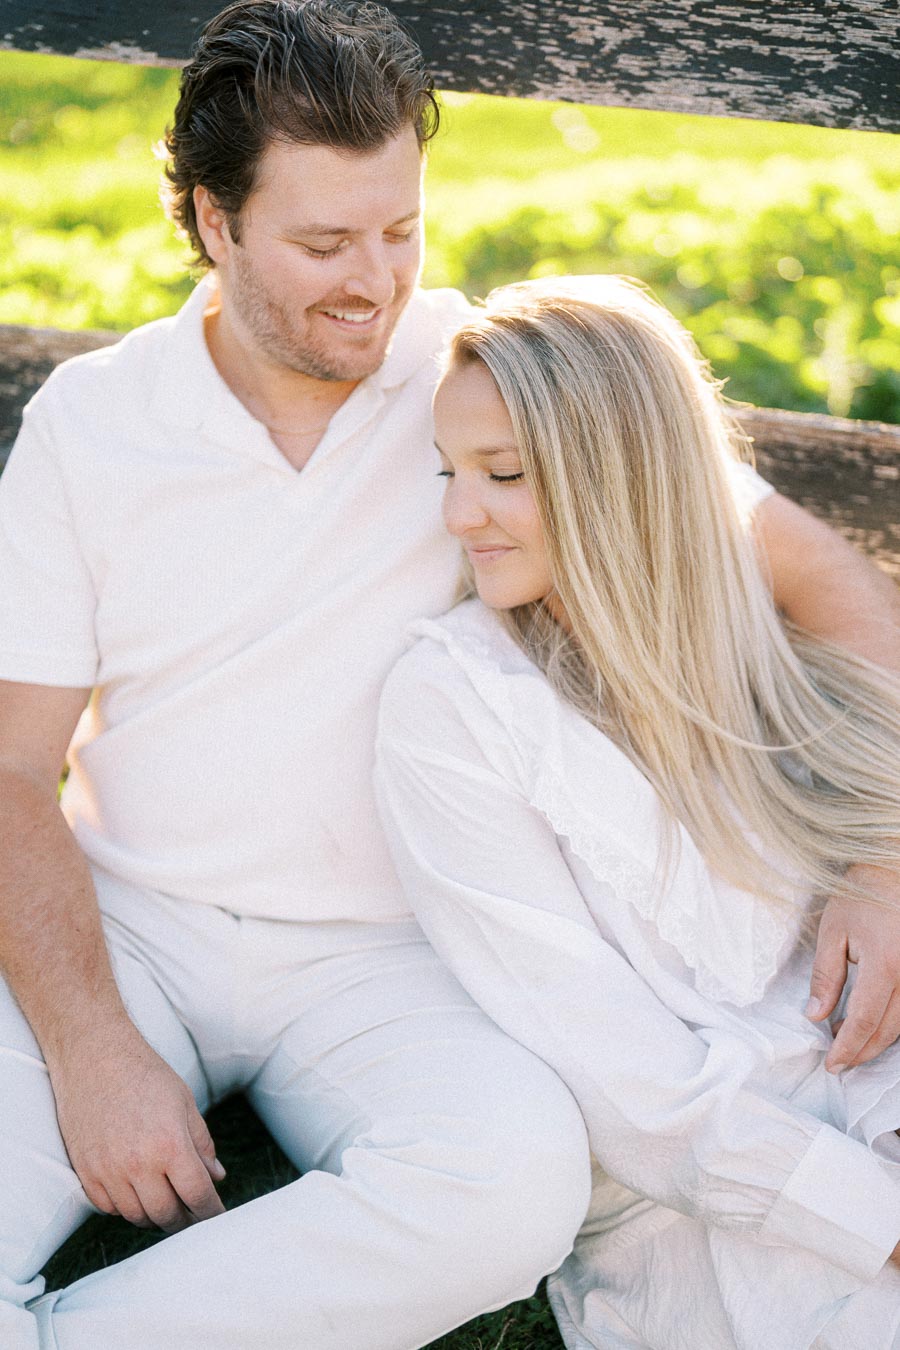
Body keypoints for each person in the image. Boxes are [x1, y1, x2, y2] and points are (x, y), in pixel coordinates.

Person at [0, 1, 897, 1345]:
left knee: (511, 1188)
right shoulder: (95, 423)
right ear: (209, 219)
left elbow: (818, 573)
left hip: (403, 956)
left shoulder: (483, 393)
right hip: (137, 920)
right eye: (321, 243)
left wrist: (882, 854)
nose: (375, 281)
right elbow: (14, 767)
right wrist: (89, 1043)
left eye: (399, 230)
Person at [374, 274, 900, 1350]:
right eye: (451, 471)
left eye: (503, 475)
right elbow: (637, 1098)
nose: (457, 514)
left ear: (621, 476)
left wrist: (882, 863)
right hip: (718, 1204)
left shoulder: (745, 629)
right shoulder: (450, 709)